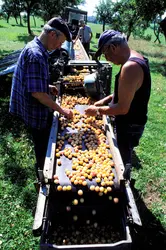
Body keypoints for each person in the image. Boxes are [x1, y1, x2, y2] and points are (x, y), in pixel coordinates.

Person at [9, 17, 73, 181]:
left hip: (30, 106)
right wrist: (62, 110)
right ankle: (43, 175)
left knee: (41, 141)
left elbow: (32, 81)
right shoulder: (37, 55)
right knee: (42, 143)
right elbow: (37, 94)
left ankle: (42, 168)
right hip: (34, 112)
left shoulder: (35, 47)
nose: (60, 47)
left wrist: (46, 86)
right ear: (52, 34)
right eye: (60, 42)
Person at [85, 30, 151, 178]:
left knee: (122, 158)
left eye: (105, 54)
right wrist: (104, 101)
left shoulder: (130, 67)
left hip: (130, 124)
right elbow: (127, 91)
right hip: (133, 120)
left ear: (113, 48)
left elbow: (122, 108)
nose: (107, 59)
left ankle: (124, 187)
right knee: (122, 153)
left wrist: (97, 111)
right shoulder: (135, 57)